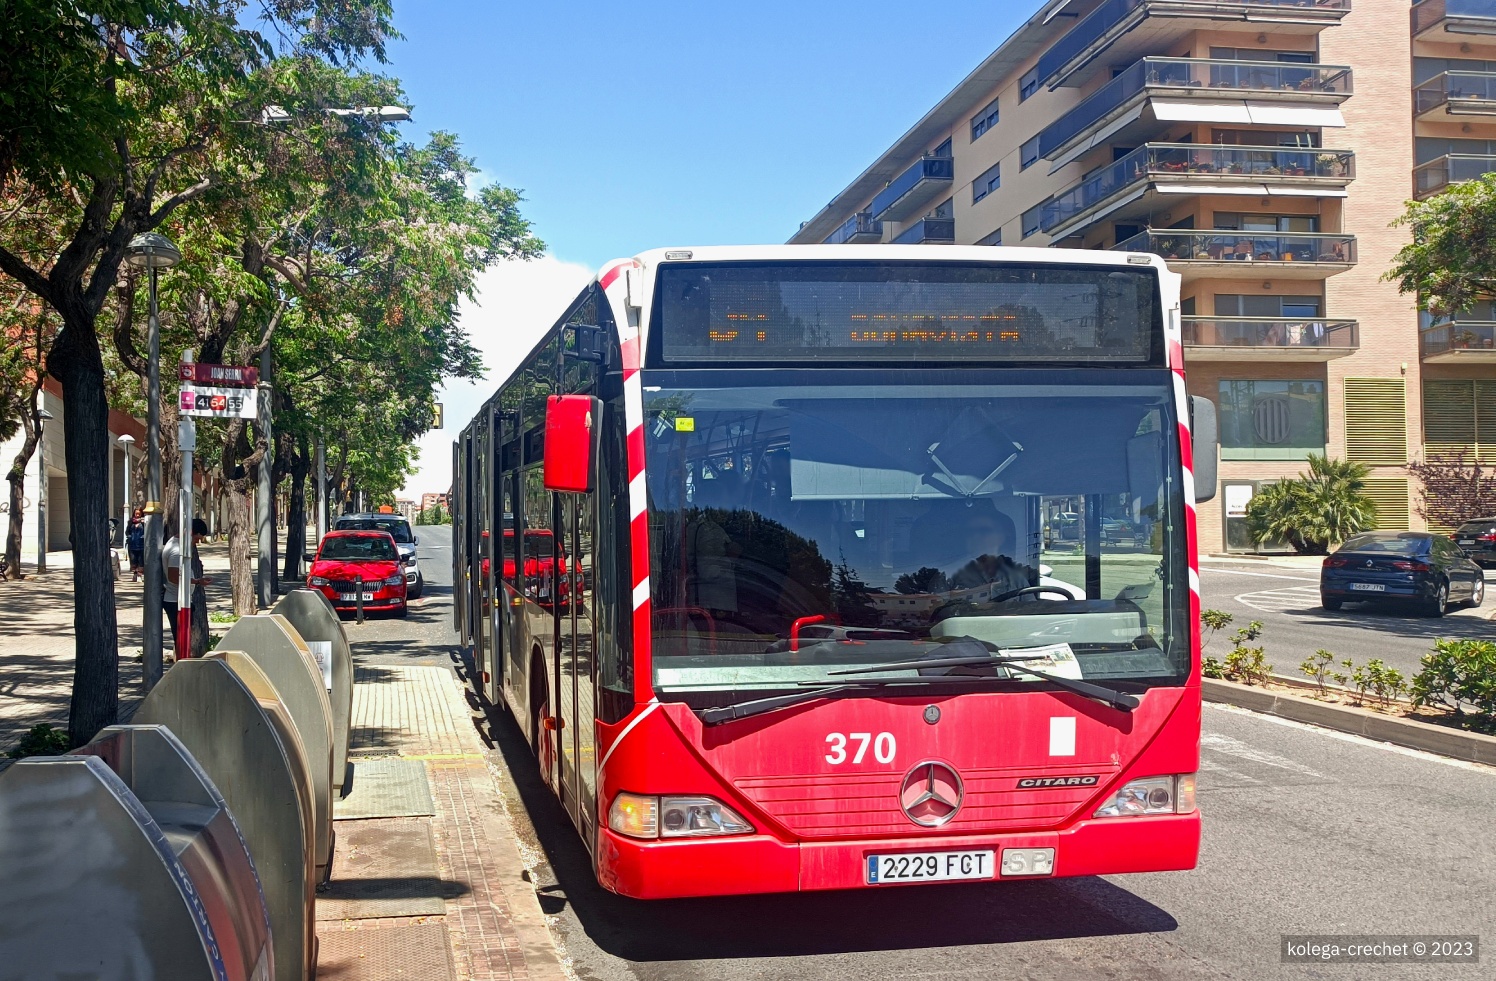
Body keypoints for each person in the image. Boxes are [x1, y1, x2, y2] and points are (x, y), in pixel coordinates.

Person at [163, 518, 212, 657]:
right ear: (190, 532)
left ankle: (182, 662)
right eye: (197, 539)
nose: (197, 543)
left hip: (180, 598)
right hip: (176, 600)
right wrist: (196, 581)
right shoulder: (176, 550)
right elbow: (173, 577)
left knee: (183, 639)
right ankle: (181, 666)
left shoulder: (177, 545)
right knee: (181, 639)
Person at [125, 508, 145, 582]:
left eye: (139, 514)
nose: (137, 515)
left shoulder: (143, 522)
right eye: (136, 513)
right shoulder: (131, 522)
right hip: (132, 544)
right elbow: (127, 532)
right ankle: (135, 573)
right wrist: (129, 536)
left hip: (141, 544)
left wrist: (143, 537)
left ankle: (140, 575)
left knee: (141, 560)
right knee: (133, 560)